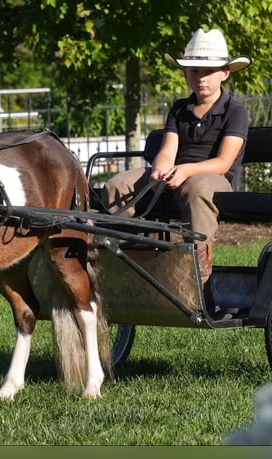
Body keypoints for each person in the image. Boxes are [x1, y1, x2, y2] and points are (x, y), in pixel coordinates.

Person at [103, 27, 251, 285]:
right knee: (118, 185)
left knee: (197, 186)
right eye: (194, 71)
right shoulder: (180, 109)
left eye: (208, 72)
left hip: (212, 179)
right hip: (177, 174)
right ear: (185, 73)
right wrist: (161, 169)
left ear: (225, 73)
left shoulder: (234, 111)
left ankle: (198, 274)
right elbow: (168, 150)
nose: (201, 78)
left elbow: (223, 162)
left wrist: (185, 170)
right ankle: (130, 258)